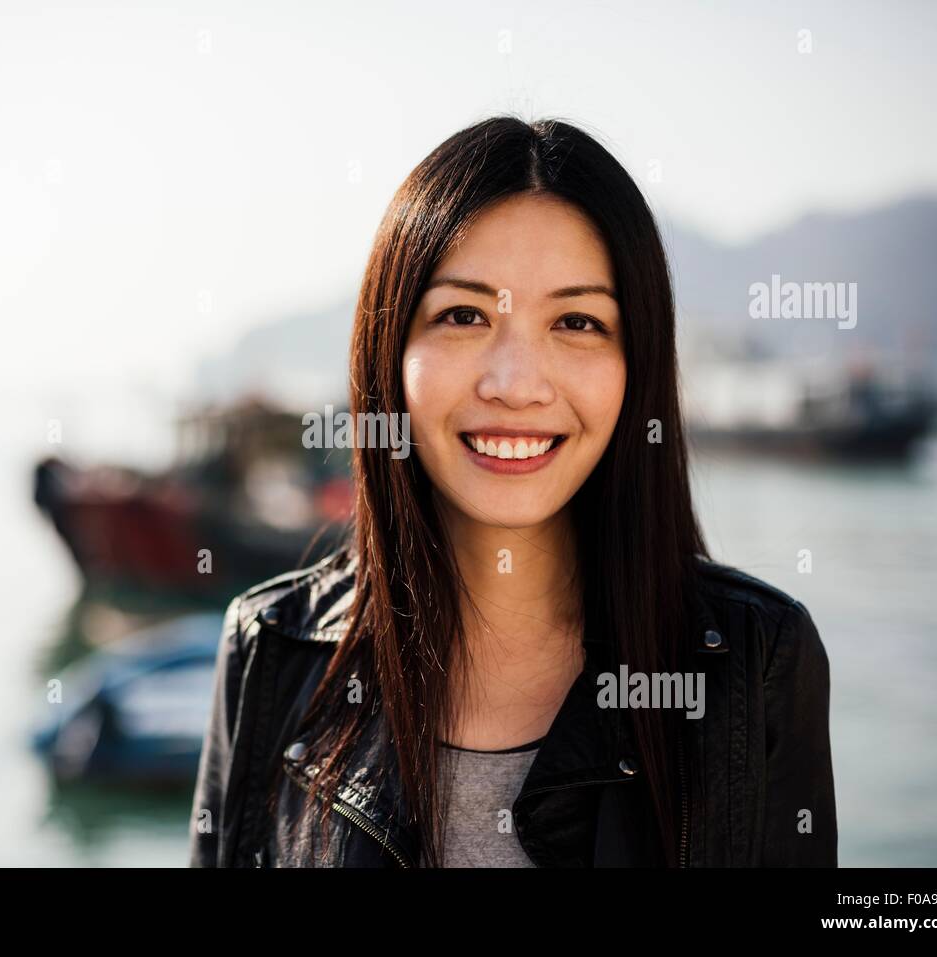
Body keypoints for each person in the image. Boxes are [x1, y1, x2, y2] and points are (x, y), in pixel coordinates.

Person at [187, 115, 837, 867]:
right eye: (462, 315)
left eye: (578, 321)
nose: (516, 384)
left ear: (639, 364)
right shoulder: (269, 650)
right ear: (389, 350)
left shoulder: (755, 661)